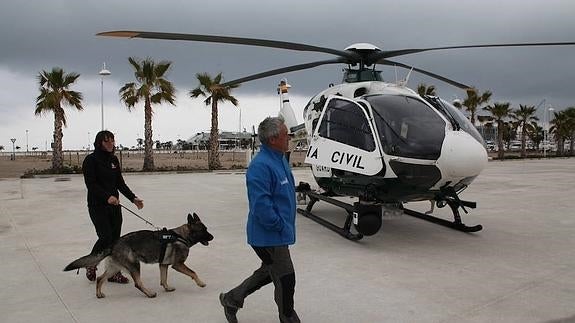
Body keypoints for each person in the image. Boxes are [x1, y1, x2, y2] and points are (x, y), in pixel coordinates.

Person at [219, 117, 300, 323]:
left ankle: (231, 299)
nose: (289, 137)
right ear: (273, 139)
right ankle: (288, 317)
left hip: (278, 233)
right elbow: (261, 207)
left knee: (269, 272)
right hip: (268, 235)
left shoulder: (280, 157)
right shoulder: (260, 166)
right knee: (285, 279)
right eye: (285, 134)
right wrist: (280, 225)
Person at [82, 130, 144, 283]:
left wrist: (133, 198)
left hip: (114, 206)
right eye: (106, 141)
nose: (110, 144)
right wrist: (106, 197)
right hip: (98, 206)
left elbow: (119, 183)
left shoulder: (114, 160)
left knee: (115, 241)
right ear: (99, 143)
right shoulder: (90, 160)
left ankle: (114, 272)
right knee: (105, 237)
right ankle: (92, 262)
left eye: (112, 141)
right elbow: (91, 184)